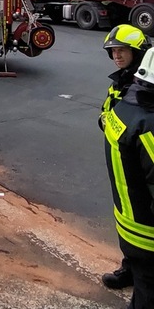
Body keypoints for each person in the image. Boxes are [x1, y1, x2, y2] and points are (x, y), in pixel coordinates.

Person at [99, 24, 152, 289]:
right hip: (122, 162)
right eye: (113, 51)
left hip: (138, 163)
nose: (117, 56)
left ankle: (141, 272)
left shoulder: (144, 86)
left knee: (140, 216)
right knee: (126, 214)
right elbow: (106, 111)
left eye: (122, 51)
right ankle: (130, 267)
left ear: (138, 53)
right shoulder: (120, 81)